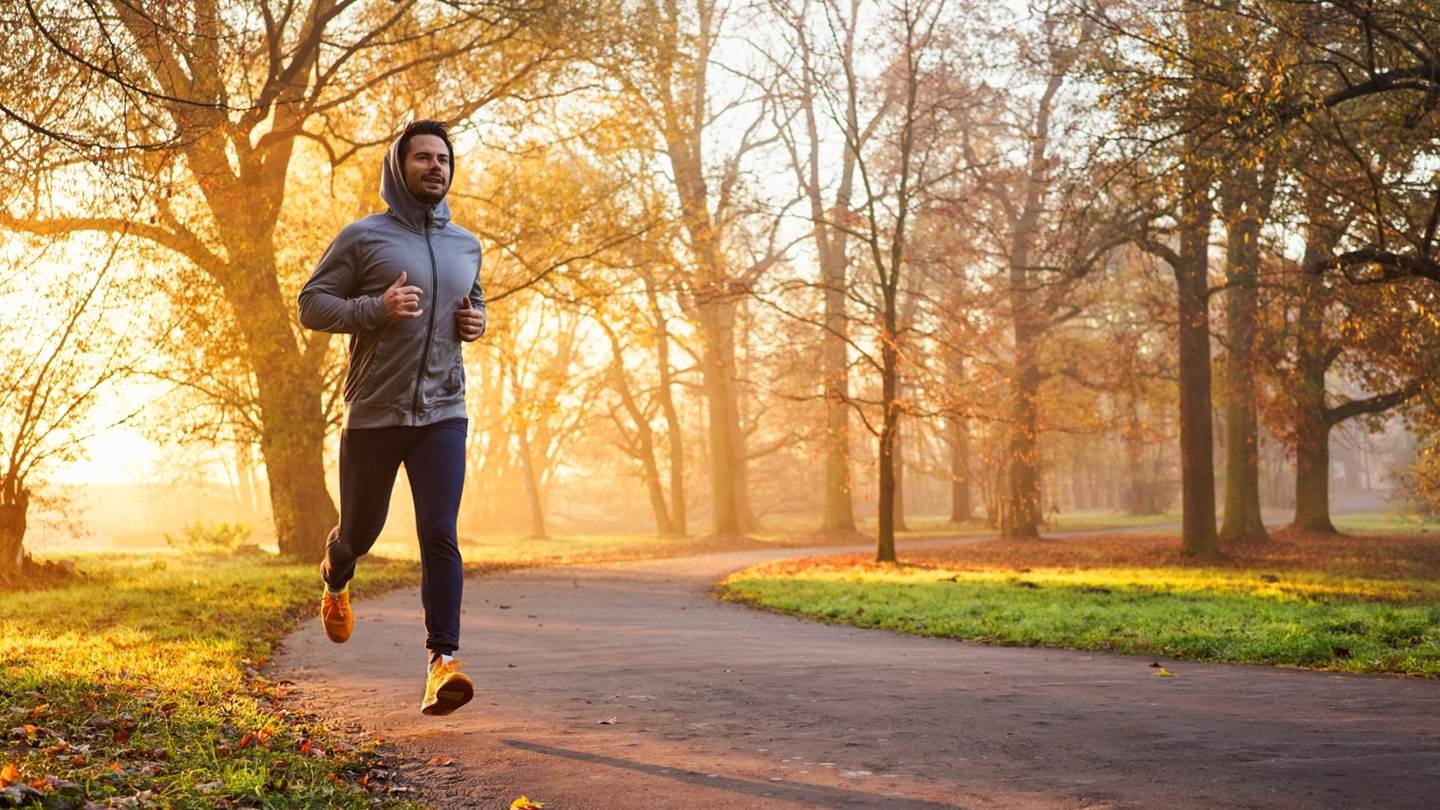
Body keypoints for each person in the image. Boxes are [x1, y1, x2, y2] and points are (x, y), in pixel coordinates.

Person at [298, 119, 486, 716]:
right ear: (398, 167)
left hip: (443, 412)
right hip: (375, 413)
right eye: (424, 158)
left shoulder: (466, 244)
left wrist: (476, 322)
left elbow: (471, 301)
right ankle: (335, 576)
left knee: (440, 532)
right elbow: (311, 304)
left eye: (443, 160)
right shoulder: (363, 237)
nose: (436, 167)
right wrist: (374, 308)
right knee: (361, 531)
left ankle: (442, 663)